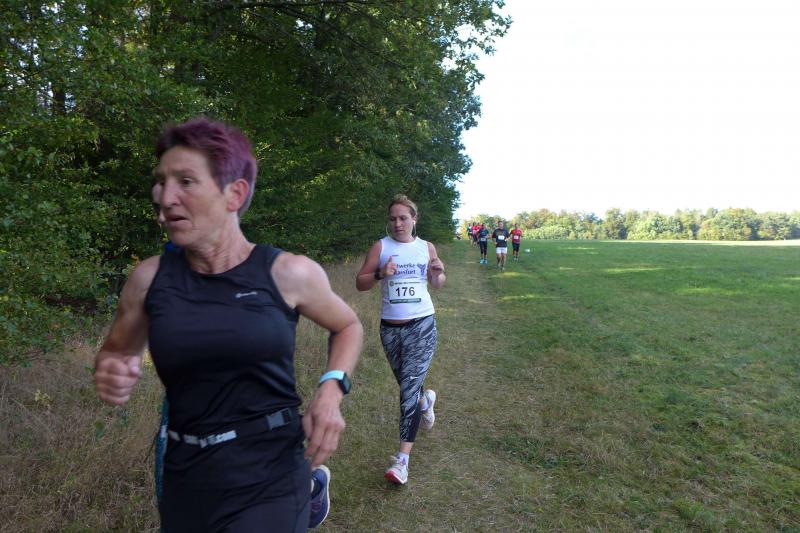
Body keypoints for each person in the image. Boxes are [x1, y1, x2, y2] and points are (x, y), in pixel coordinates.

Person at [94, 117, 363, 531]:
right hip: (186, 472)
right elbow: (117, 352)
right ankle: (313, 493)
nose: (165, 197)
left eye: (185, 181)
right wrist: (112, 370)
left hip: (271, 469)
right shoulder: (148, 281)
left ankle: (304, 491)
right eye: (161, 182)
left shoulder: (287, 273)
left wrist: (331, 390)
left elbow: (347, 326)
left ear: (234, 194)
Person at [355, 194, 446, 485]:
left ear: (414, 219)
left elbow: (436, 283)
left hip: (422, 324)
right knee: (408, 386)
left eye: (403, 218)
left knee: (407, 391)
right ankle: (425, 401)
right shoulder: (381, 247)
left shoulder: (426, 247)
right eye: (393, 218)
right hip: (390, 329)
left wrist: (438, 273)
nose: (397, 223)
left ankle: (402, 461)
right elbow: (360, 283)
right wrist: (380, 273)